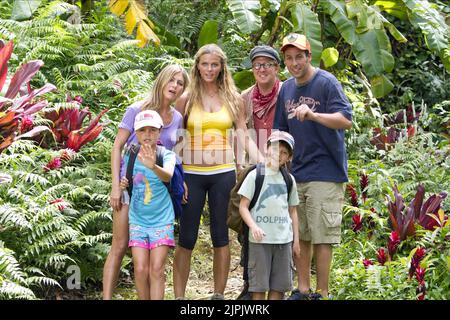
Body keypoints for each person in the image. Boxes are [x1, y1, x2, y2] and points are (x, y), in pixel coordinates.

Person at [173, 43, 263, 300]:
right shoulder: (186, 99)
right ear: (197, 66)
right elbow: (176, 138)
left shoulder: (234, 99)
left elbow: (243, 136)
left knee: (220, 235)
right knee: (187, 237)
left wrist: (262, 163)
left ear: (222, 67)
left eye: (214, 64)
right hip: (192, 174)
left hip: (223, 173)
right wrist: (178, 174)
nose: (209, 69)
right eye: (205, 64)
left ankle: (218, 296)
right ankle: (179, 297)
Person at [273, 33, 352, 300]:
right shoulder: (286, 88)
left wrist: (314, 114)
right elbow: (280, 130)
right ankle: (303, 289)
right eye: (289, 58)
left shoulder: (326, 83)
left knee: (322, 235)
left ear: (309, 56)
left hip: (326, 172)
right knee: (302, 233)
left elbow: (345, 120)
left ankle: (323, 292)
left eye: (299, 57)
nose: (294, 63)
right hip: (298, 172)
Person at [103, 64, 189, 300]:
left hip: (160, 190)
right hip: (130, 185)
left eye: (180, 83)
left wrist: (183, 181)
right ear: (161, 81)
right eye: (171, 80)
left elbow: (176, 153)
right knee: (120, 245)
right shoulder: (136, 109)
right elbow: (117, 146)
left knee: (152, 259)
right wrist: (115, 187)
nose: (175, 86)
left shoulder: (177, 117)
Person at [237, 45, 282, 299]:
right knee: (248, 224)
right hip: (256, 167)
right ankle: (250, 282)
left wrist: (277, 161)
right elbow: (242, 131)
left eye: (267, 65)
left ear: (276, 68)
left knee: (279, 224)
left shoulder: (286, 92)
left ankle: (278, 283)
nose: (261, 69)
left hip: (283, 165)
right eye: (257, 65)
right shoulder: (245, 97)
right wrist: (260, 161)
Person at [119, 110, 177, 299]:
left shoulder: (166, 155)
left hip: (162, 219)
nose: (147, 134)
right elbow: (127, 179)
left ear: (160, 132)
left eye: (152, 130)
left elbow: (168, 176)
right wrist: (123, 183)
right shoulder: (131, 154)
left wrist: (153, 165)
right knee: (141, 269)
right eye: (142, 130)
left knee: (157, 269)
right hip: (137, 218)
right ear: (136, 133)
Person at [238, 131, 300, 300]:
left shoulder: (289, 180)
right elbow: (243, 207)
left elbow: (293, 211)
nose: (278, 154)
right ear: (266, 149)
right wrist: (253, 226)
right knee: (258, 288)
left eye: (284, 152)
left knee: (279, 288)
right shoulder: (255, 175)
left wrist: (296, 241)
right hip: (259, 241)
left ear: (289, 158)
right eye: (275, 149)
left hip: (283, 241)